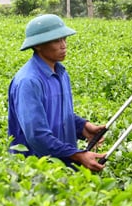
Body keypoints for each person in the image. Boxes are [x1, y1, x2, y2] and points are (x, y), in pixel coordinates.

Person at [8, 14, 107, 171]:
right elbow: (37, 135)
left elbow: (60, 114)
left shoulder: (61, 73)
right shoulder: (29, 81)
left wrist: (83, 127)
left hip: (63, 166)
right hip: (36, 170)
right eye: (56, 40)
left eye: (64, 39)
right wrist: (78, 155)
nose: (63, 45)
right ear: (38, 45)